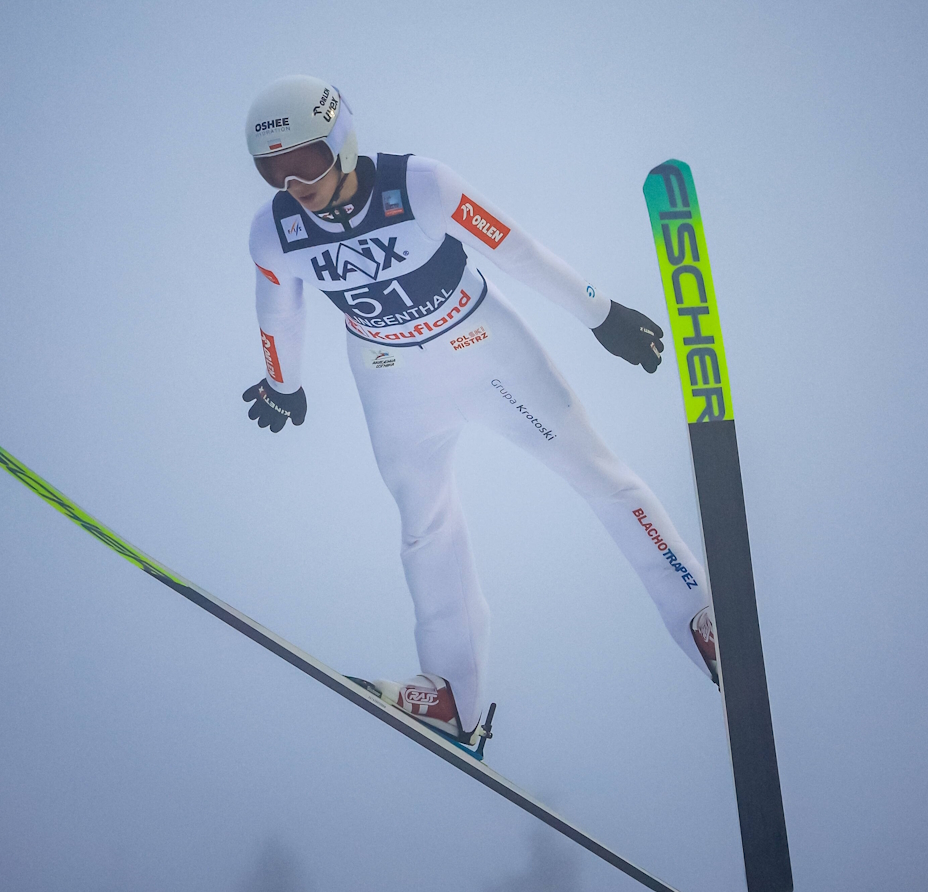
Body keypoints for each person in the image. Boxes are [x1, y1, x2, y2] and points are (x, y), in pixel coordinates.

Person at [242, 75, 718, 745]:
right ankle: (451, 696)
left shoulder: (421, 186)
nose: (295, 186)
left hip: (485, 349)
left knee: (597, 475)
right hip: (389, 377)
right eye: (272, 171)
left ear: (343, 142)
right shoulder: (275, 231)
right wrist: (282, 383)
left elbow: (516, 250)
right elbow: (278, 309)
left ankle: (701, 616)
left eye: (306, 163)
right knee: (424, 527)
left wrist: (601, 314)